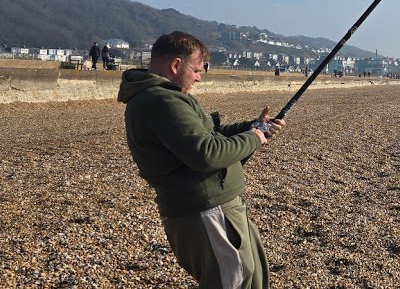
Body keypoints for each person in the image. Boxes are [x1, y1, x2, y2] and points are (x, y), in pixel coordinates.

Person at [118, 31, 286, 289]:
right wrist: (254, 138)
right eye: (196, 70)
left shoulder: (167, 96)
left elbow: (211, 136)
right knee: (233, 280)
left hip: (220, 206)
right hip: (205, 210)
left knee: (252, 277)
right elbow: (206, 154)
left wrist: (254, 127)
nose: (199, 77)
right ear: (176, 65)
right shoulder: (161, 100)